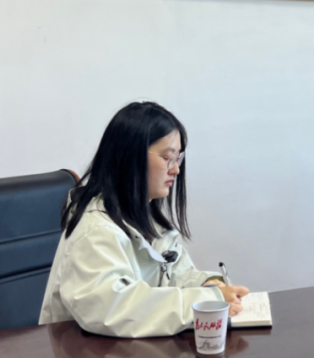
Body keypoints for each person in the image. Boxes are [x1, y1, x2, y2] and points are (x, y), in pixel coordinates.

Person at [39, 102, 250, 337]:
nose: (176, 170)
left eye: (178, 158)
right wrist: (208, 299)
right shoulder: (95, 230)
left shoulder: (145, 217)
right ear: (130, 157)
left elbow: (175, 274)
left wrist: (208, 284)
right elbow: (113, 309)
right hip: (88, 356)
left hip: (132, 352)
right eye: (168, 157)